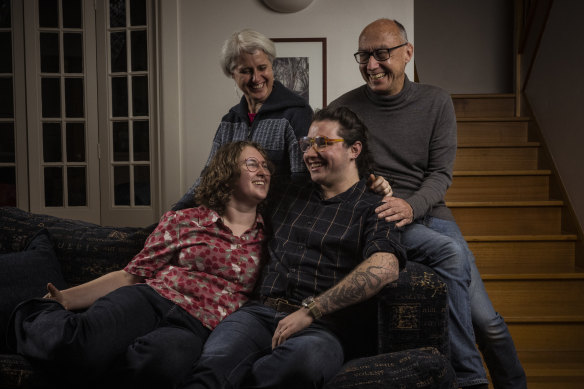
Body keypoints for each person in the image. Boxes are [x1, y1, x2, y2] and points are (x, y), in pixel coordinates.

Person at [329, 18, 527, 389]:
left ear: (407, 53)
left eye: (382, 54)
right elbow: (334, 171)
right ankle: (470, 381)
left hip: (430, 214)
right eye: (364, 56)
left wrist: (411, 206)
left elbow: (440, 175)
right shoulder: (343, 110)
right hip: (378, 218)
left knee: (487, 321)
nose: (371, 65)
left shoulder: (436, 101)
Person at [9, 141, 272, 388]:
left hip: (195, 326)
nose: (263, 171)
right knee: (74, 345)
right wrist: (64, 299)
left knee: (161, 365)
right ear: (227, 172)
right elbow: (131, 276)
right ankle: (28, 317)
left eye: (265, 166)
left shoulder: (271, 237)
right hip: (151, 299)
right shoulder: (185, 220)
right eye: (252, 164)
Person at [180, 106, 406, 389]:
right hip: (258, 315)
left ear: (354, 149)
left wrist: (312, 310)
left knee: (299, 366)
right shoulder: (286, 192)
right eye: (307, 144)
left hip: (324, 329)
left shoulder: (376, 208)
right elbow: (228, 190)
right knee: (214, 364)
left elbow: (385, 266)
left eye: (322, 143)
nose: (310, 153)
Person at [173, 28, 313, 211]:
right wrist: (174, 212)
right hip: (230, 218)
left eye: (262, 68)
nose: (256, 78)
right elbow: (208, 177)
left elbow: (302, 181)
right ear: (233, 74)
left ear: (271, 66)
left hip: (277, 221)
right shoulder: (229, 121)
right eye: (246, 71)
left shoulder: (297, 113)